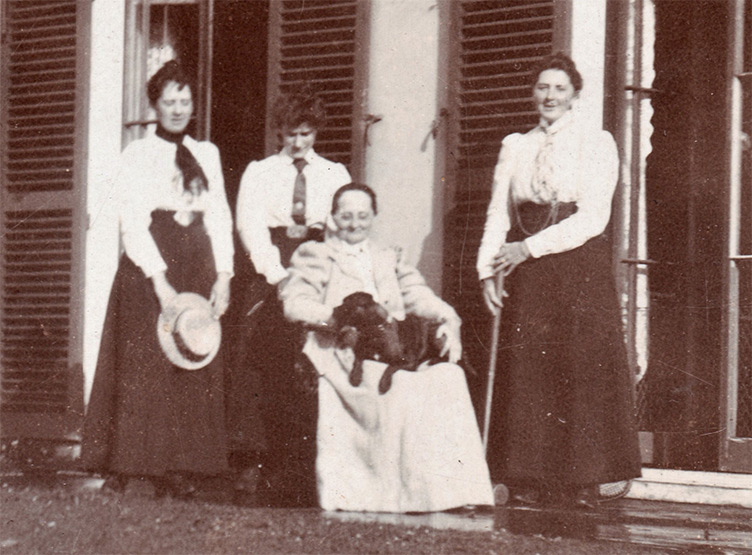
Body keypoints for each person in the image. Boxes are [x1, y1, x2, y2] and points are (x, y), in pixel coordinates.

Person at [477, 52, 641, 505]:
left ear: (574, 95)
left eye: (559, 89)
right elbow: (498, 213)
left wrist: (525, 248)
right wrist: (488, 268)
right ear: (534, 93)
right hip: (527, 271)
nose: (549, 96)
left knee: (580, 369)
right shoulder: (517, 145)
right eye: (542, 88)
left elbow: (593, 218)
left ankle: (584, 482)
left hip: (577, 266)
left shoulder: (596, 142)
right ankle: (530, 479)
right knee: (532, 372)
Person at [280, 183, 494, 513]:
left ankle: (452, 492)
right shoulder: (316, 254)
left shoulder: (387, 255)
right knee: (406, 387)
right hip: (341, 352)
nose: (355, 223)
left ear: (373, 216)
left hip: (392, 349)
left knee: (449, 377)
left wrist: (447, 318)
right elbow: (295, 304)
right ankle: (398, 495)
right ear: (333, 218)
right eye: (346, 216)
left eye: (363, 216)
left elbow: (416, 294)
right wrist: (339, 317)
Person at [82, 61, 234, 496]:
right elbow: (131, 221)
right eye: (169, 101)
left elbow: (219, 215)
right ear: (155, 105)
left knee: (191, 357)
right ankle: (136, 465)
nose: (177, 109)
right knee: (146, 363)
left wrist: (223, 274)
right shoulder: (138, 153)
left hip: (198, 260)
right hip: (151, 263)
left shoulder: (208, 153)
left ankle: (185, 466)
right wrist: (160, 281)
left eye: (184, 101)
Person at [233, 89, 351, 505]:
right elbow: (250, 227)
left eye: (305, 133)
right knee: (265, 360)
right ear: (278, 131)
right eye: (290, 134)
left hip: (316, 261)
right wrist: (278, 276)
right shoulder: (260, 172)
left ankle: (310, 462)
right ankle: (260, 459)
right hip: (274, 261)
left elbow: (341, 227)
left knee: (312, 358)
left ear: (315, 131)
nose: (298, 143)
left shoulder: (335, 173)